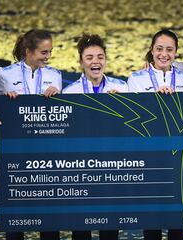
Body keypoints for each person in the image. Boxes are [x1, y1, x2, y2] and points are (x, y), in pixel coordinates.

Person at [0, 29, 62, 240]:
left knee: (50, 219)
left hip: (48, 155)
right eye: (44, 52)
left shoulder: (54, 75)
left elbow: (67, 113)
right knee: (16, 217)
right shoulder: (5, 74)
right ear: (28, 51)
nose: (48, 57)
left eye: (50, 52)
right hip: (17, 155)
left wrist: (58, 96)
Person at [63, 33, 127, 239]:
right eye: (89, 57)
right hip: (83, 170)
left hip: (113, 169)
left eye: (100, 56)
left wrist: (122, 107)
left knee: (110, 229)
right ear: (81, 62)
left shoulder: (122, 89)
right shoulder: (69, 93)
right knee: (81, 229)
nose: (95, 62)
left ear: (106, 59)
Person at [127, 29, 183, 240]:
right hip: (149, 156)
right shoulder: (134, 80)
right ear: (152, 50)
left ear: (176, 52)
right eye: (159, 49)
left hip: (179, 157)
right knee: (151, 222)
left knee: (178, 222)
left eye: (169, 50)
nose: (164, 54)